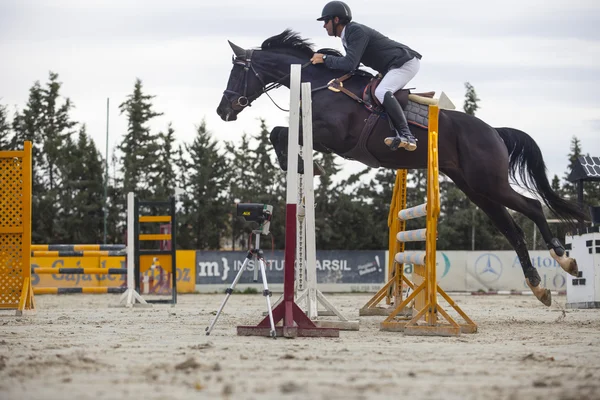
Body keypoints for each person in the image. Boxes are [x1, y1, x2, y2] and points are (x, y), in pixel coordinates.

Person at [310, 1, 421, 151]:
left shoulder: (355, 31)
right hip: (393, 65)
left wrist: (324, 59)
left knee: (381, 91)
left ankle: (407, 135)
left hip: (404, 62)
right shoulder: (347, 35)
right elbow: (351, 66)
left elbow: (349, 64)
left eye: (326, 21)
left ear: (336, 20)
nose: (324, 25)